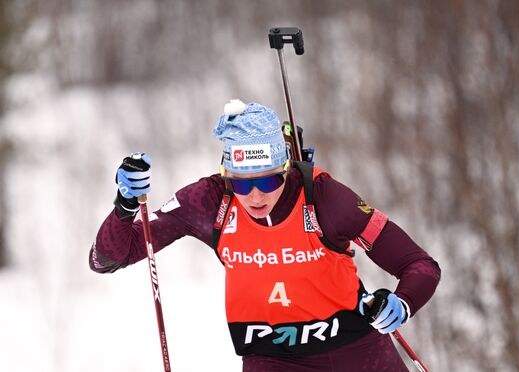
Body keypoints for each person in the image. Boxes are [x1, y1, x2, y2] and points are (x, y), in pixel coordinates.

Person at [90, 99, 441, 371]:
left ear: (286, 170)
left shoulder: (326, 200)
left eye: (268, 179)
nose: (255, 195)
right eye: (242, 182)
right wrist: (125, 207)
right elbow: (107, 259)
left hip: (354, 349)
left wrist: (402, 303)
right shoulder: (209, 200)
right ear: (226, 174)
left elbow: (419, 265)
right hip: (272, 357)